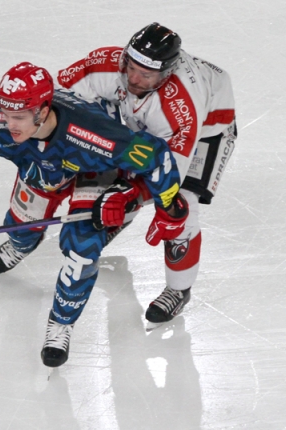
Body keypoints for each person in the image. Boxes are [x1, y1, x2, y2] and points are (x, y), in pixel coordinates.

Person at [0, 61, 187, 368]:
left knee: (81, 247)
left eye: (17, 116)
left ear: (42, 111)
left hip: (92, 169)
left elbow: (156, 156)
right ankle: (20, 244)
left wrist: (167, 207)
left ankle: (61, 324)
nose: (8, 123)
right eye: (3, 112)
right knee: (21, 228)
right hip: (40, 167)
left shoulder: (96, 136)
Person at [57, 22, 237, 323]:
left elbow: (169, 173)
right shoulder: (108, 66)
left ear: (165, 74)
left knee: (181, 204)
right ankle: (115, 218)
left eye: (146, 75)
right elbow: (56, 97)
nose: (133, 79)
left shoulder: (181, 105)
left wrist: (131, 194)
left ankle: (178, 289)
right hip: (144, 120)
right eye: (131, 67)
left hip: (207, 130)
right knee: (108, 162)